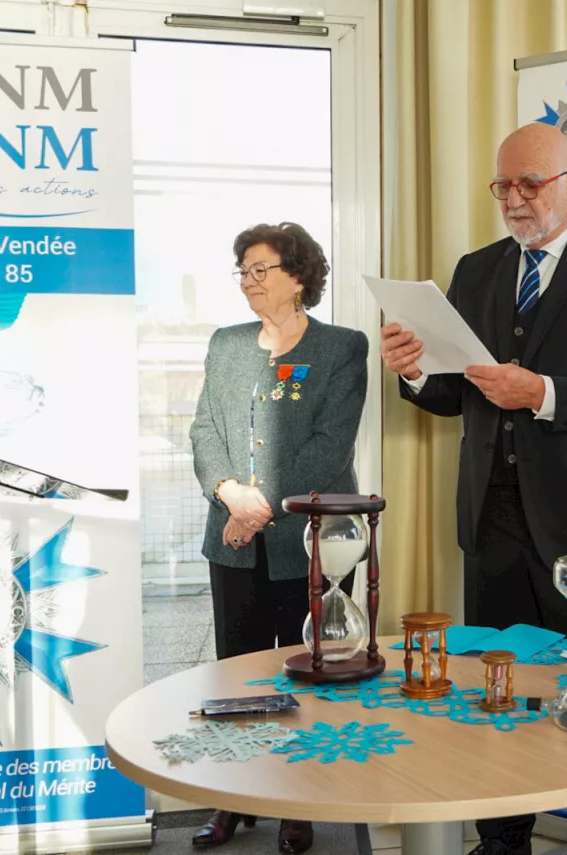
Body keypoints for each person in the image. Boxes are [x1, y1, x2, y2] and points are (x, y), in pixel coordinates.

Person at [380, 122, 567, 855]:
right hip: (493, 521)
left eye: (528, 184)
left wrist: (540, 391)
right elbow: (454, 395)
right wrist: (413, 368)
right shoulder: (475, 270)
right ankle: (501, 840)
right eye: (501, 186)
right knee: (494, 696)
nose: (513, 199)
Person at [189, 222, 369, 854]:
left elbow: (329, 447)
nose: (248, 281)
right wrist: (229, 495)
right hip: (232, 538)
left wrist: (258, 505)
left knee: (302, 671)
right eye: (242, 270)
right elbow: (204, 432)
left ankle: (298, 803)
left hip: (308, 540)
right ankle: (232, 801)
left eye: (261, 269)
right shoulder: (227, 343)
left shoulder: (343, 347)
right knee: (234, 672)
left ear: (299, 277)